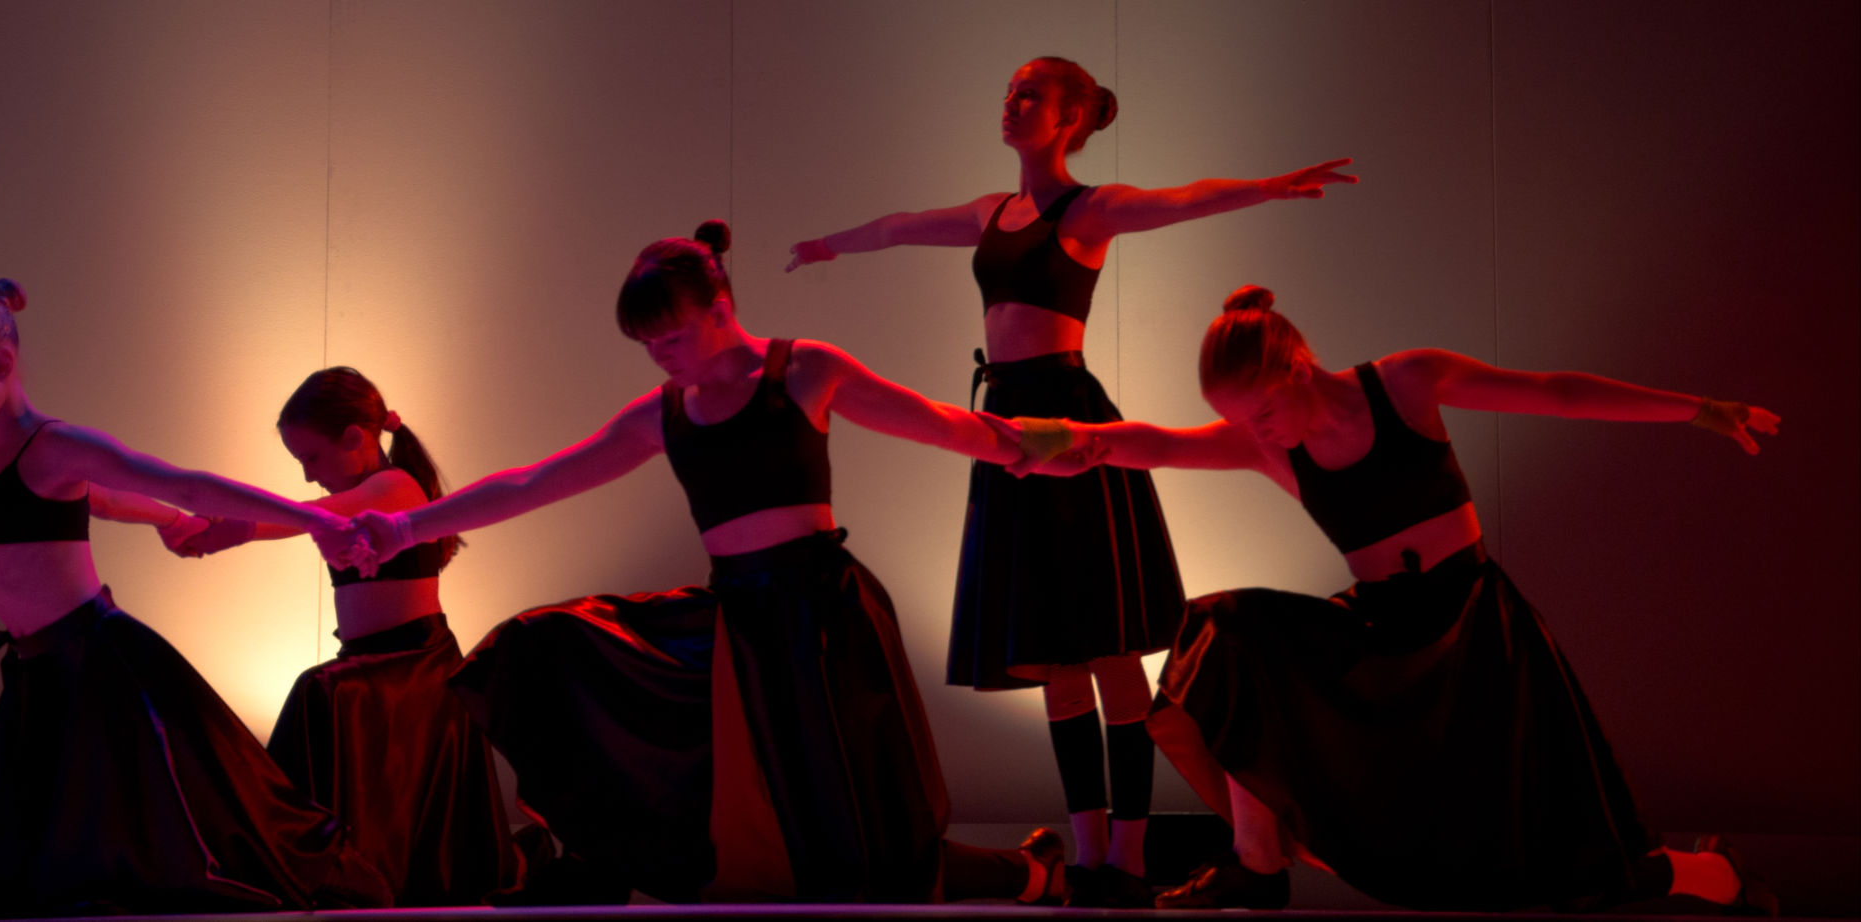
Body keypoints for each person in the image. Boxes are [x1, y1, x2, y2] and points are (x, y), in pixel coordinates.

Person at [341, 223, 1064, 905]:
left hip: (824, 620)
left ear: (720, 308)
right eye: (648, 344)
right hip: (739, 624)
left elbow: (936, 422)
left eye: (673, 336)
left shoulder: (804, 370)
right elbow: (534, 482)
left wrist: (1044, 444)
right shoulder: (662, 414)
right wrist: (406, 526)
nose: (662, 354)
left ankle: (1035, 874)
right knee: (543, 644)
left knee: (869, 842)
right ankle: (597, 860)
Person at [994, 285, 1778, 912]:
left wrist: (1697, 408)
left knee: (1574, 874)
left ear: (1298, 367)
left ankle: (1717, 876)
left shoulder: (1406, 384)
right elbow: (1149, 443)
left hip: (1476, 640)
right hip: (1380, 637)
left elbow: (1556, 393)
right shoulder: (1273, 447)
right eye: (1240, 422)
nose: (1256, 433)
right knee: (1224, 630)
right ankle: (1255, 865)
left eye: (1261, 413)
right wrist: (1051, 440)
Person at [785, 55, 1353, 897]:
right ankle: (1087, 852)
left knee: (1105, 645)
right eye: (1009, 92)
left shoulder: (1088, 210)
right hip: (1004, 424)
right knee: (1052, 655)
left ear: (1072, 119)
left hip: (1069, 420)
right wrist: (830, 245)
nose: (1012, 103)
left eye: (1031, 95)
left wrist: (1265, 188)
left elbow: (1180, 200)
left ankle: (1129, 852)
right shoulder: (992, 212)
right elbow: (904, 225)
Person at [0, 280, 390, 921]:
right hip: (40, 674)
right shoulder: (0, 457)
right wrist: (168, 522)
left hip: (94, 666)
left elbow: (182, 482)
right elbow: (108, 500)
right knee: (23, 856)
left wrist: (315, 520)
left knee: (164, 842)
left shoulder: (51, 445)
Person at [167, 367, 525, 904]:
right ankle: (311, 866)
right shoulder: (366, 490)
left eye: (312, 458)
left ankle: (309, 866)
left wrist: (236, 529)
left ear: (356, 438)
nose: (308, 475)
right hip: (374, 663)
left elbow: (307, 516)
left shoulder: (393, 486)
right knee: (327, 692)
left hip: (415, 667)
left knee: (320, 693)